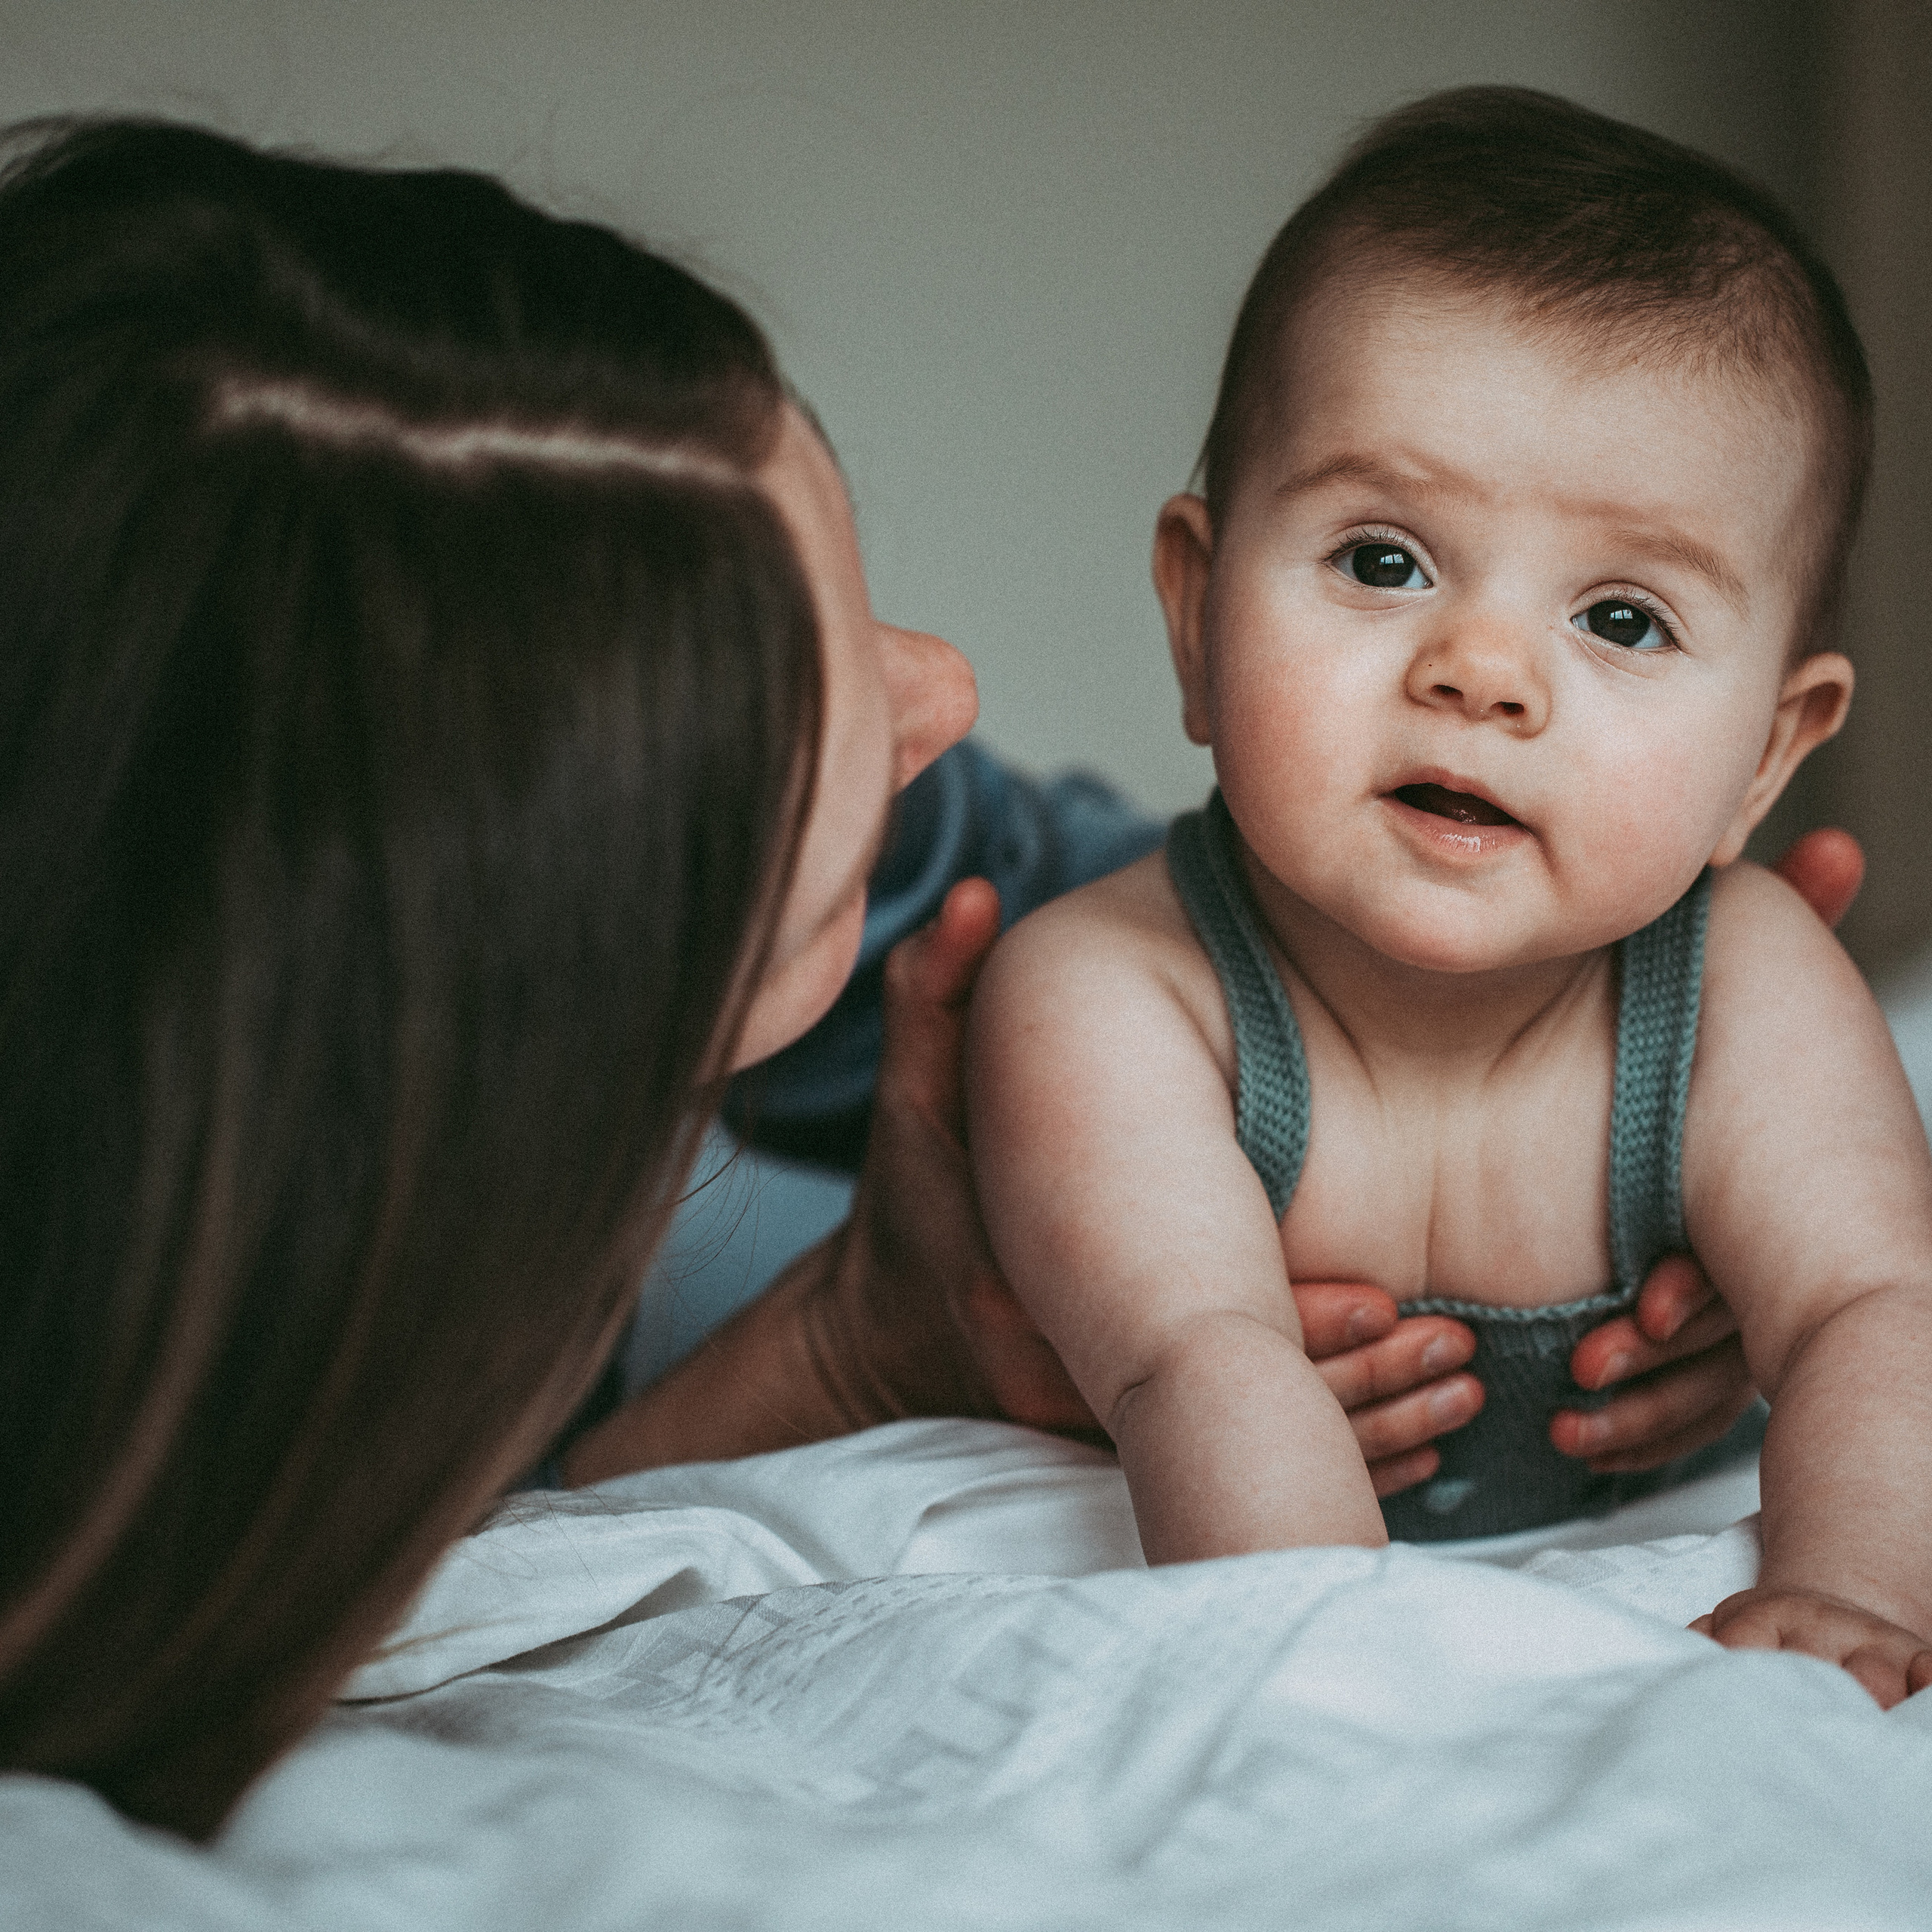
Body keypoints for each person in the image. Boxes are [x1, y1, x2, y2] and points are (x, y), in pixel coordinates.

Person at [0, 109, 1869, 1849]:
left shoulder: (965, 880)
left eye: (1619, 615)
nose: (943, 690)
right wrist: (830, 1354)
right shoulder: (203, 1414)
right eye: (810, 674)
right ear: (521, 955)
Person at [964, 89, 1932, 1706]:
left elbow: (1870, 1303)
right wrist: (1349, 1689)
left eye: (1620, 617)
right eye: (1384, 560)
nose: (1476, 673)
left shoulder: (1737, 981)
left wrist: (1849, 1583)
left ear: (1763, 757)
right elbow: (1193, 1360)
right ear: (1196, 611)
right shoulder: (1118, 990)